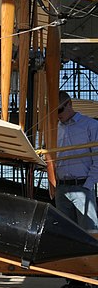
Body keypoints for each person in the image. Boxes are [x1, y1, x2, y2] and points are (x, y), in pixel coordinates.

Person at [54, 90, 98, 230]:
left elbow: (97, 157)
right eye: (54, 112)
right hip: (61, 188)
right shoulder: (54, 129)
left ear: (69, 104)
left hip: (82, 185)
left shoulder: (90, 125)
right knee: (65, 234)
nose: (58, 115)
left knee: (89, 233)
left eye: (59, 110)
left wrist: (87, 185)